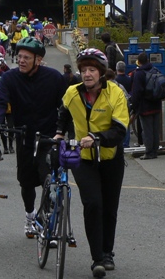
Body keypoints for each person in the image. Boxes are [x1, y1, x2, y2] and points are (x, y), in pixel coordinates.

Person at [55, 48, 129, 278]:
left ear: (102, 72)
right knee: (93, 204)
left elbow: (120, 130)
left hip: (110, 158)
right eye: (84, 70)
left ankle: (107, 252)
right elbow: (64, 113)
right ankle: (97, 258)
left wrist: (97, 138)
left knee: (109, 208)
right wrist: (59, 133)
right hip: (83, 160)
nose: (87, 74)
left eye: (92, 70)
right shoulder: (72, 92)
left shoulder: (115, 94)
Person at [0, 37, 67, 237]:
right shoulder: (9, 78)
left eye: (26, 57)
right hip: (24, 137)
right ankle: (29, 215)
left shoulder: (54, 78)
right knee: (26, 183)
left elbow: (66, 106)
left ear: (38, 60)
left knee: (47, 178)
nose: (21, 60)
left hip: (48, 137)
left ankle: (47, 219)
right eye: (19, 56)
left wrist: (62, 130)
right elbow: (0, 102)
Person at [130, 52, 163, 160]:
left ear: (139, 62)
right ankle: (155, 150)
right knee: (155, 129)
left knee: (147, 130)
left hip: (145, 106)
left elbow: (137, 92)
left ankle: (149, 152)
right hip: (156, 104)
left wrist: (134, 108)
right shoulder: (155, 70)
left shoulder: (139, 73)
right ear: (148, 60)